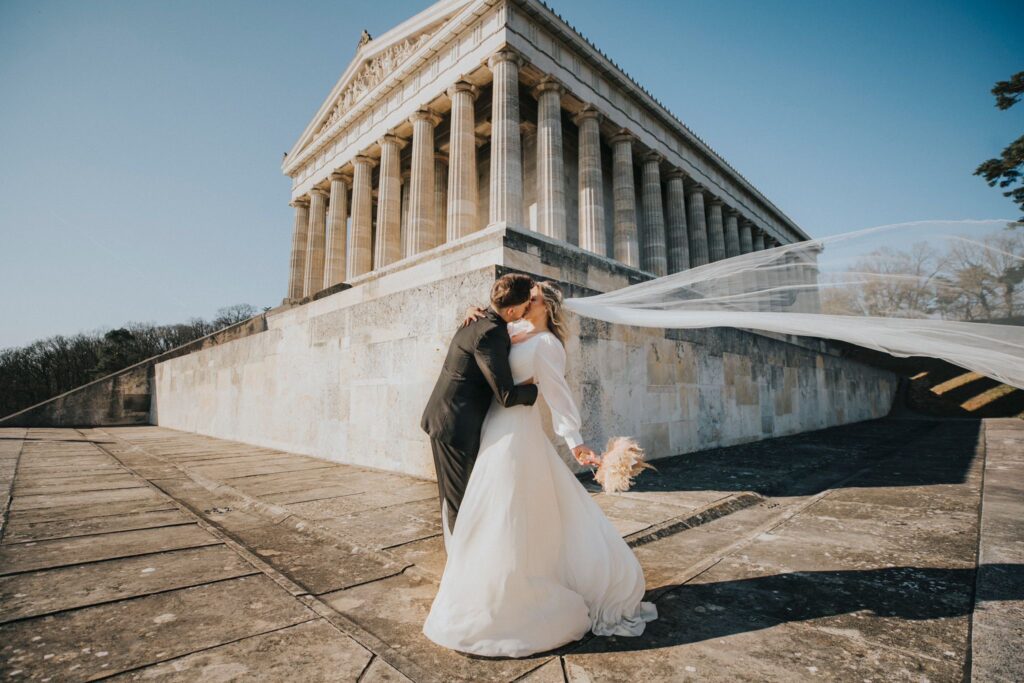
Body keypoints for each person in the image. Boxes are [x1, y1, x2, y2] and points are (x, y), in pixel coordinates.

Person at [422, 280, 658, 658]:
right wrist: (471, 311)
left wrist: (575, 440)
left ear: (542, 305)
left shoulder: (547, 345)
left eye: (529, 297)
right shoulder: (512, 328)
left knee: (507, 510)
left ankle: (512, 597)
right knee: (488, 509)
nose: (522, 302)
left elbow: (557, 395)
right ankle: (479, 584)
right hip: (491, 427)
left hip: (517, 428)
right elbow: (487, 331)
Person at [420, 273, 540, 546]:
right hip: (452, 426)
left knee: (457, 500)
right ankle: (461, 566)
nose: (527, 310)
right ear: (511, 310)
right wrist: (535, 390)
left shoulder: (482, 318)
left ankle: (461, 557)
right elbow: (506, 395)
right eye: (524, 306)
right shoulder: (491, 332)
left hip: (448, 419)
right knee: (460, 503)